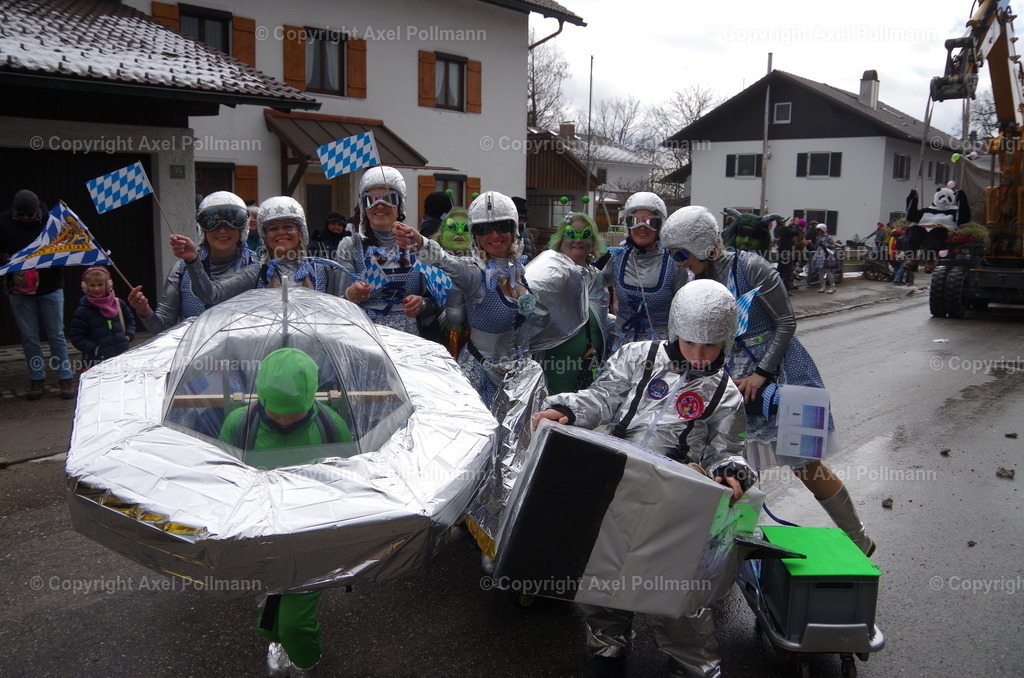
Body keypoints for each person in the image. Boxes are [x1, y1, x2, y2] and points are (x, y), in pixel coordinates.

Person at [533, 280, 756, 678]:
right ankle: (607, 647)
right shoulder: (636, 355)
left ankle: (692, 661)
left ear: (727, 340)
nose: (701, 356)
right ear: (675, 330)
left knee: (673, 579)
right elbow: (601, 397)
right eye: (691, 343)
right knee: (602, 564)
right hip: (617, 475)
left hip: (679, 490)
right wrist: (568, 408)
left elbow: (729, 449)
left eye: (712, 346)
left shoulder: (726, 392)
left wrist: (730, 473)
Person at [661, 206, 875, 557]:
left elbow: (787, 323)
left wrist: (761, 374)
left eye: (681, 253)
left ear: (702, 246)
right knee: (730, 463)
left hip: (786, 375)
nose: (678, 262)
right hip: (730, 381)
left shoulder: (752, 267)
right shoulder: (692, 281)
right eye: (673, 255)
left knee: (807, 465)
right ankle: (726, 548)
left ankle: (859, 539)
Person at [218, 348, 351, 677]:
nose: (284, 420)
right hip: (259, 537)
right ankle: (275, 638)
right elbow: (221, 480)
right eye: (275, 412)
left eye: (293, 413)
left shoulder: (330, 427)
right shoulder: (239, 426)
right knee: (269, 600)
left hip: (310, 539)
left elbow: (349, 483)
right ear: (261, 397)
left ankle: (305, 660)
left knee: (295, 622)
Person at [395, 191, 533, 407]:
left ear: (514, 228)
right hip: (480, 376)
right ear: (475, 235)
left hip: (515, 378)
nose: (494, 235)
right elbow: (446, 262)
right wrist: (421, 242)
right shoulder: (474, 274)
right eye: (483, 229)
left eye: (502, 226)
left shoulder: (520, 270)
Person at [176, 196, 346, 303]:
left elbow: (337, 313)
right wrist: (193, 261)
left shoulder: (323, 271)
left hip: (310, 357)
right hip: (266, 356)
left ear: (301, 232)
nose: (281, 232)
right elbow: (212, 295)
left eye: (288, 226)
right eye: (272, 228)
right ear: (264, 236)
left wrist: (350, 296)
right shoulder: (255, 272)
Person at [128, 192, 257, 333]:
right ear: (202, 229)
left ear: (242, 228)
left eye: (232, 222)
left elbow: (212, 295)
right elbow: (163, 329)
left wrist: (193, 261)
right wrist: (145, 312)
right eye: (212, 222)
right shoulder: (183, 268)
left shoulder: (256, 265)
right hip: (193, 353)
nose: (222, 229)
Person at [335, 166, 432, 335]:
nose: (379, 205)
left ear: (400, 204)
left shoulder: (417, 243)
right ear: (363, 206)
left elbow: (435, 299)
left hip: (410, 341)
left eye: (388, 198)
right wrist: (351, 294)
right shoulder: (350, 246)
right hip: (367, 339)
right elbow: (336, 303)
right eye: (371, 200)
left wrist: (422, 304)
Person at [0, 189, 74, 400]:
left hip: (50, 286)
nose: (25, 218)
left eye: (29, 215)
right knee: (29, 337)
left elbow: (65, 248)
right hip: (19, 287)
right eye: (21, 215)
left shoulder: (52, 222)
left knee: (56, 335)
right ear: (14, 211)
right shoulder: (3, 222)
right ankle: (36, 380)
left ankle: (65, 378)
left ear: (37, 212)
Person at [598, 191, 683, 351]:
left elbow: (685, 307)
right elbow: (593, 285)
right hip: (622, 346)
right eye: (635, 221)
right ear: (627, 225)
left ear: (660, 226)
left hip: (660, 348)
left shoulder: (674, 262)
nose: (642, 227)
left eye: (651, 221)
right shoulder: (618, 258)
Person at [535, 211, 609, 394]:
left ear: (593, 243)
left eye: (585, 235)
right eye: (571, 234)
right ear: (560, 240)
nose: (578, 240)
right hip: (555, 369)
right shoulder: (548, 275)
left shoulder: (597, 278)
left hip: (589, 370)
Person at [68, 266, 134, 370]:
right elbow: (77, 337)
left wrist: (128, 336)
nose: (97, 288)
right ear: (85, 287)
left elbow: (130, 321)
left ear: (108, 285)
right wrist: (95, 349)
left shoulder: (118, 304)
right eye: (92, 285)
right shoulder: (83, 311)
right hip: (95, 362)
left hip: (120, 359)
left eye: (100, 285)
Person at [812, 223, 838, 294]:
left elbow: (834, 246)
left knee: (828, 271)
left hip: (827, 255)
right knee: (820, 272)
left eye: (819, 230)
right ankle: (822, 287)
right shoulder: (818, 238)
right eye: (817, 230)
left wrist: (828, 245)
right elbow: (816, 246)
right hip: (819, 256)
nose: (818, 232)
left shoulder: (828, 237)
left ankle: (832, 287)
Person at [774, 217, 797, 292]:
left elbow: (787, 233)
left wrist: (790, 226)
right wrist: (796, 225)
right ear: (781, 222)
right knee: (788, 271)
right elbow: (795, 233)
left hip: (781, 251)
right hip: (787, 252)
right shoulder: (784, 229)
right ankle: (786, 289)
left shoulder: (776, 229)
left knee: (780, 270)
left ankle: (777, 287)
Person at [511, 197, 537, 262]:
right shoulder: (507, 234)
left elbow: (533, 253)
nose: (520, 222)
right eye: (519, 220)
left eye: (522, 220)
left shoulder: (527, 233)